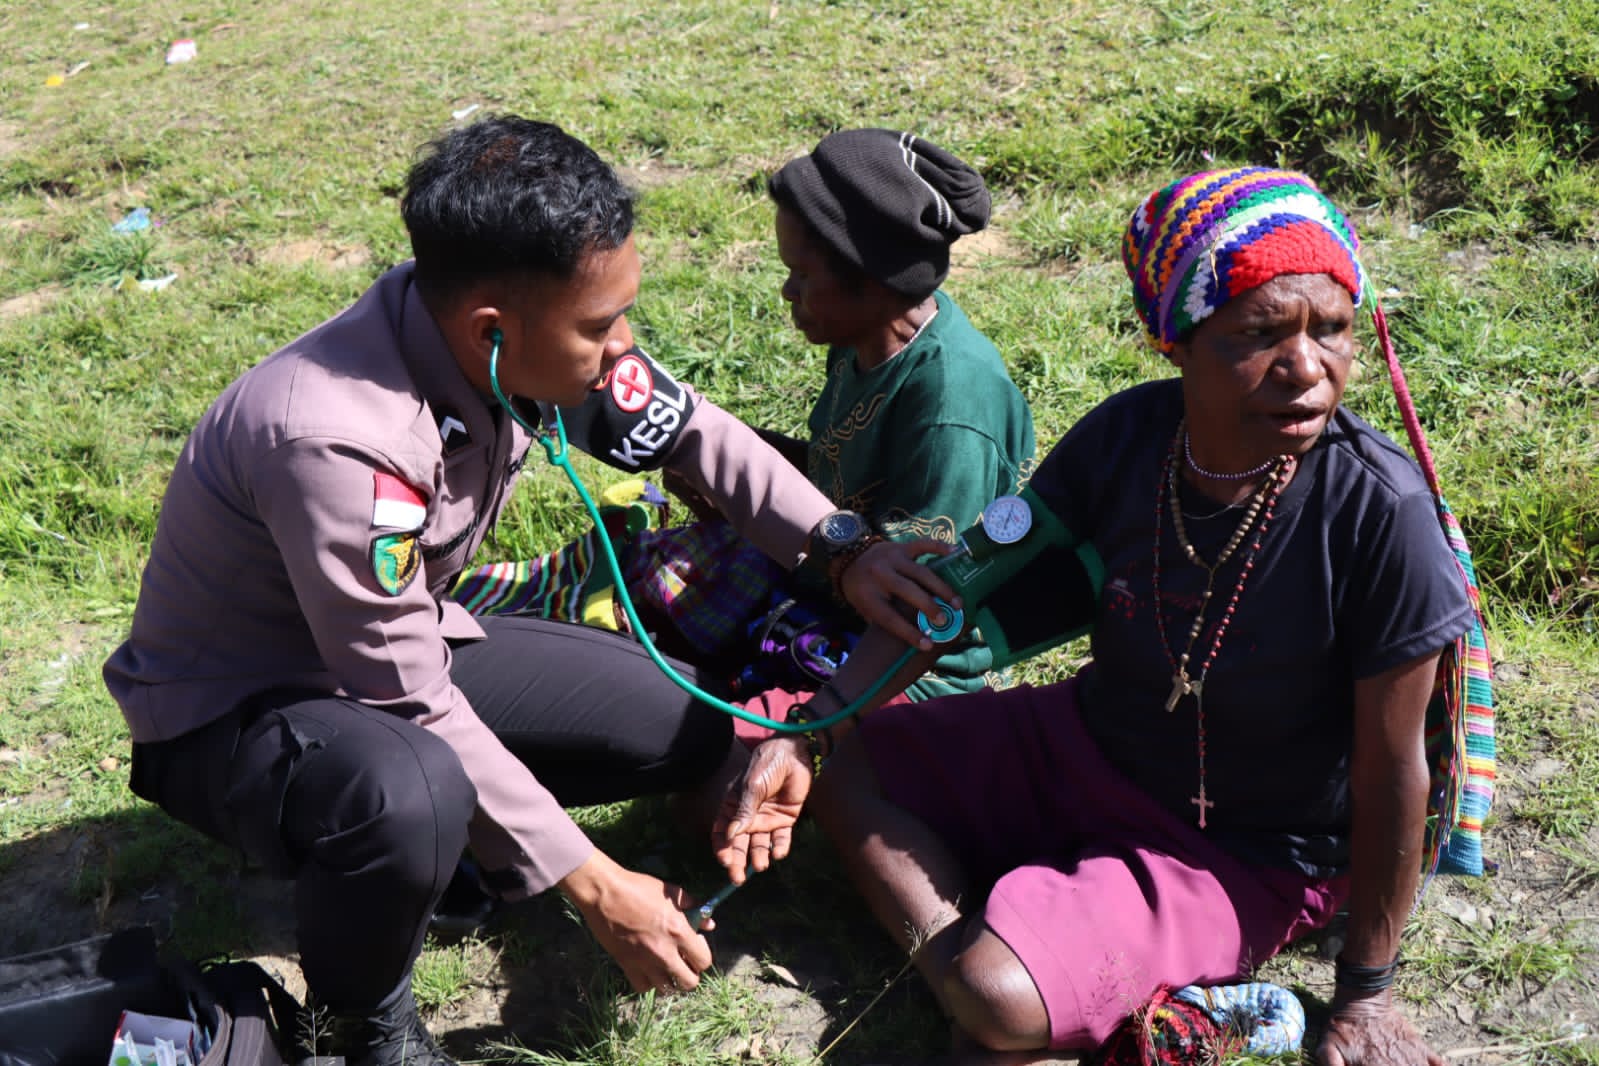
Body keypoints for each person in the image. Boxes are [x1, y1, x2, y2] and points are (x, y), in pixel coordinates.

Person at [102, 115, 953, 1066]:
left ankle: (455, 858)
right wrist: (595, 885)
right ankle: (361, 1018)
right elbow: (406, 699)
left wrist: (842, 548)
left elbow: (692, 434)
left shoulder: (509, 337)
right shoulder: (337, 440)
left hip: (389, 651)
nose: (623, 345)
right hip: (235, 710)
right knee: (409, 788)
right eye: (601, 326)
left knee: (681, 722)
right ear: (492, 332)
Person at [717, 167, 1477, 1065]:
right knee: (846, 763)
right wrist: (813, 728)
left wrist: (1365, 995)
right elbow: (961, 590)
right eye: (1259, 334)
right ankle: (1005, 975)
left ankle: (1013, 990)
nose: (1308, 369)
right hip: (1087, 744)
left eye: (1334, 330)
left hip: (1246, 847)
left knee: (995, 1002)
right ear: (1176, 341)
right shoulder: (1127, 440)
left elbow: (1394, 775)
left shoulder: (1379, 517)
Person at [454, 128, 1035, 740]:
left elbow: (924, 600)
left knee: (725, 744)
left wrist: (816, 716)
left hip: (903, 658)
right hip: (841, 575)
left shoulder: (952, 409)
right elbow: (852, 476)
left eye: (802, 276)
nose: (787, 292)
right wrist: (743, 465)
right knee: (654, 570)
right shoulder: (865, 339)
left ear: (875, 282)